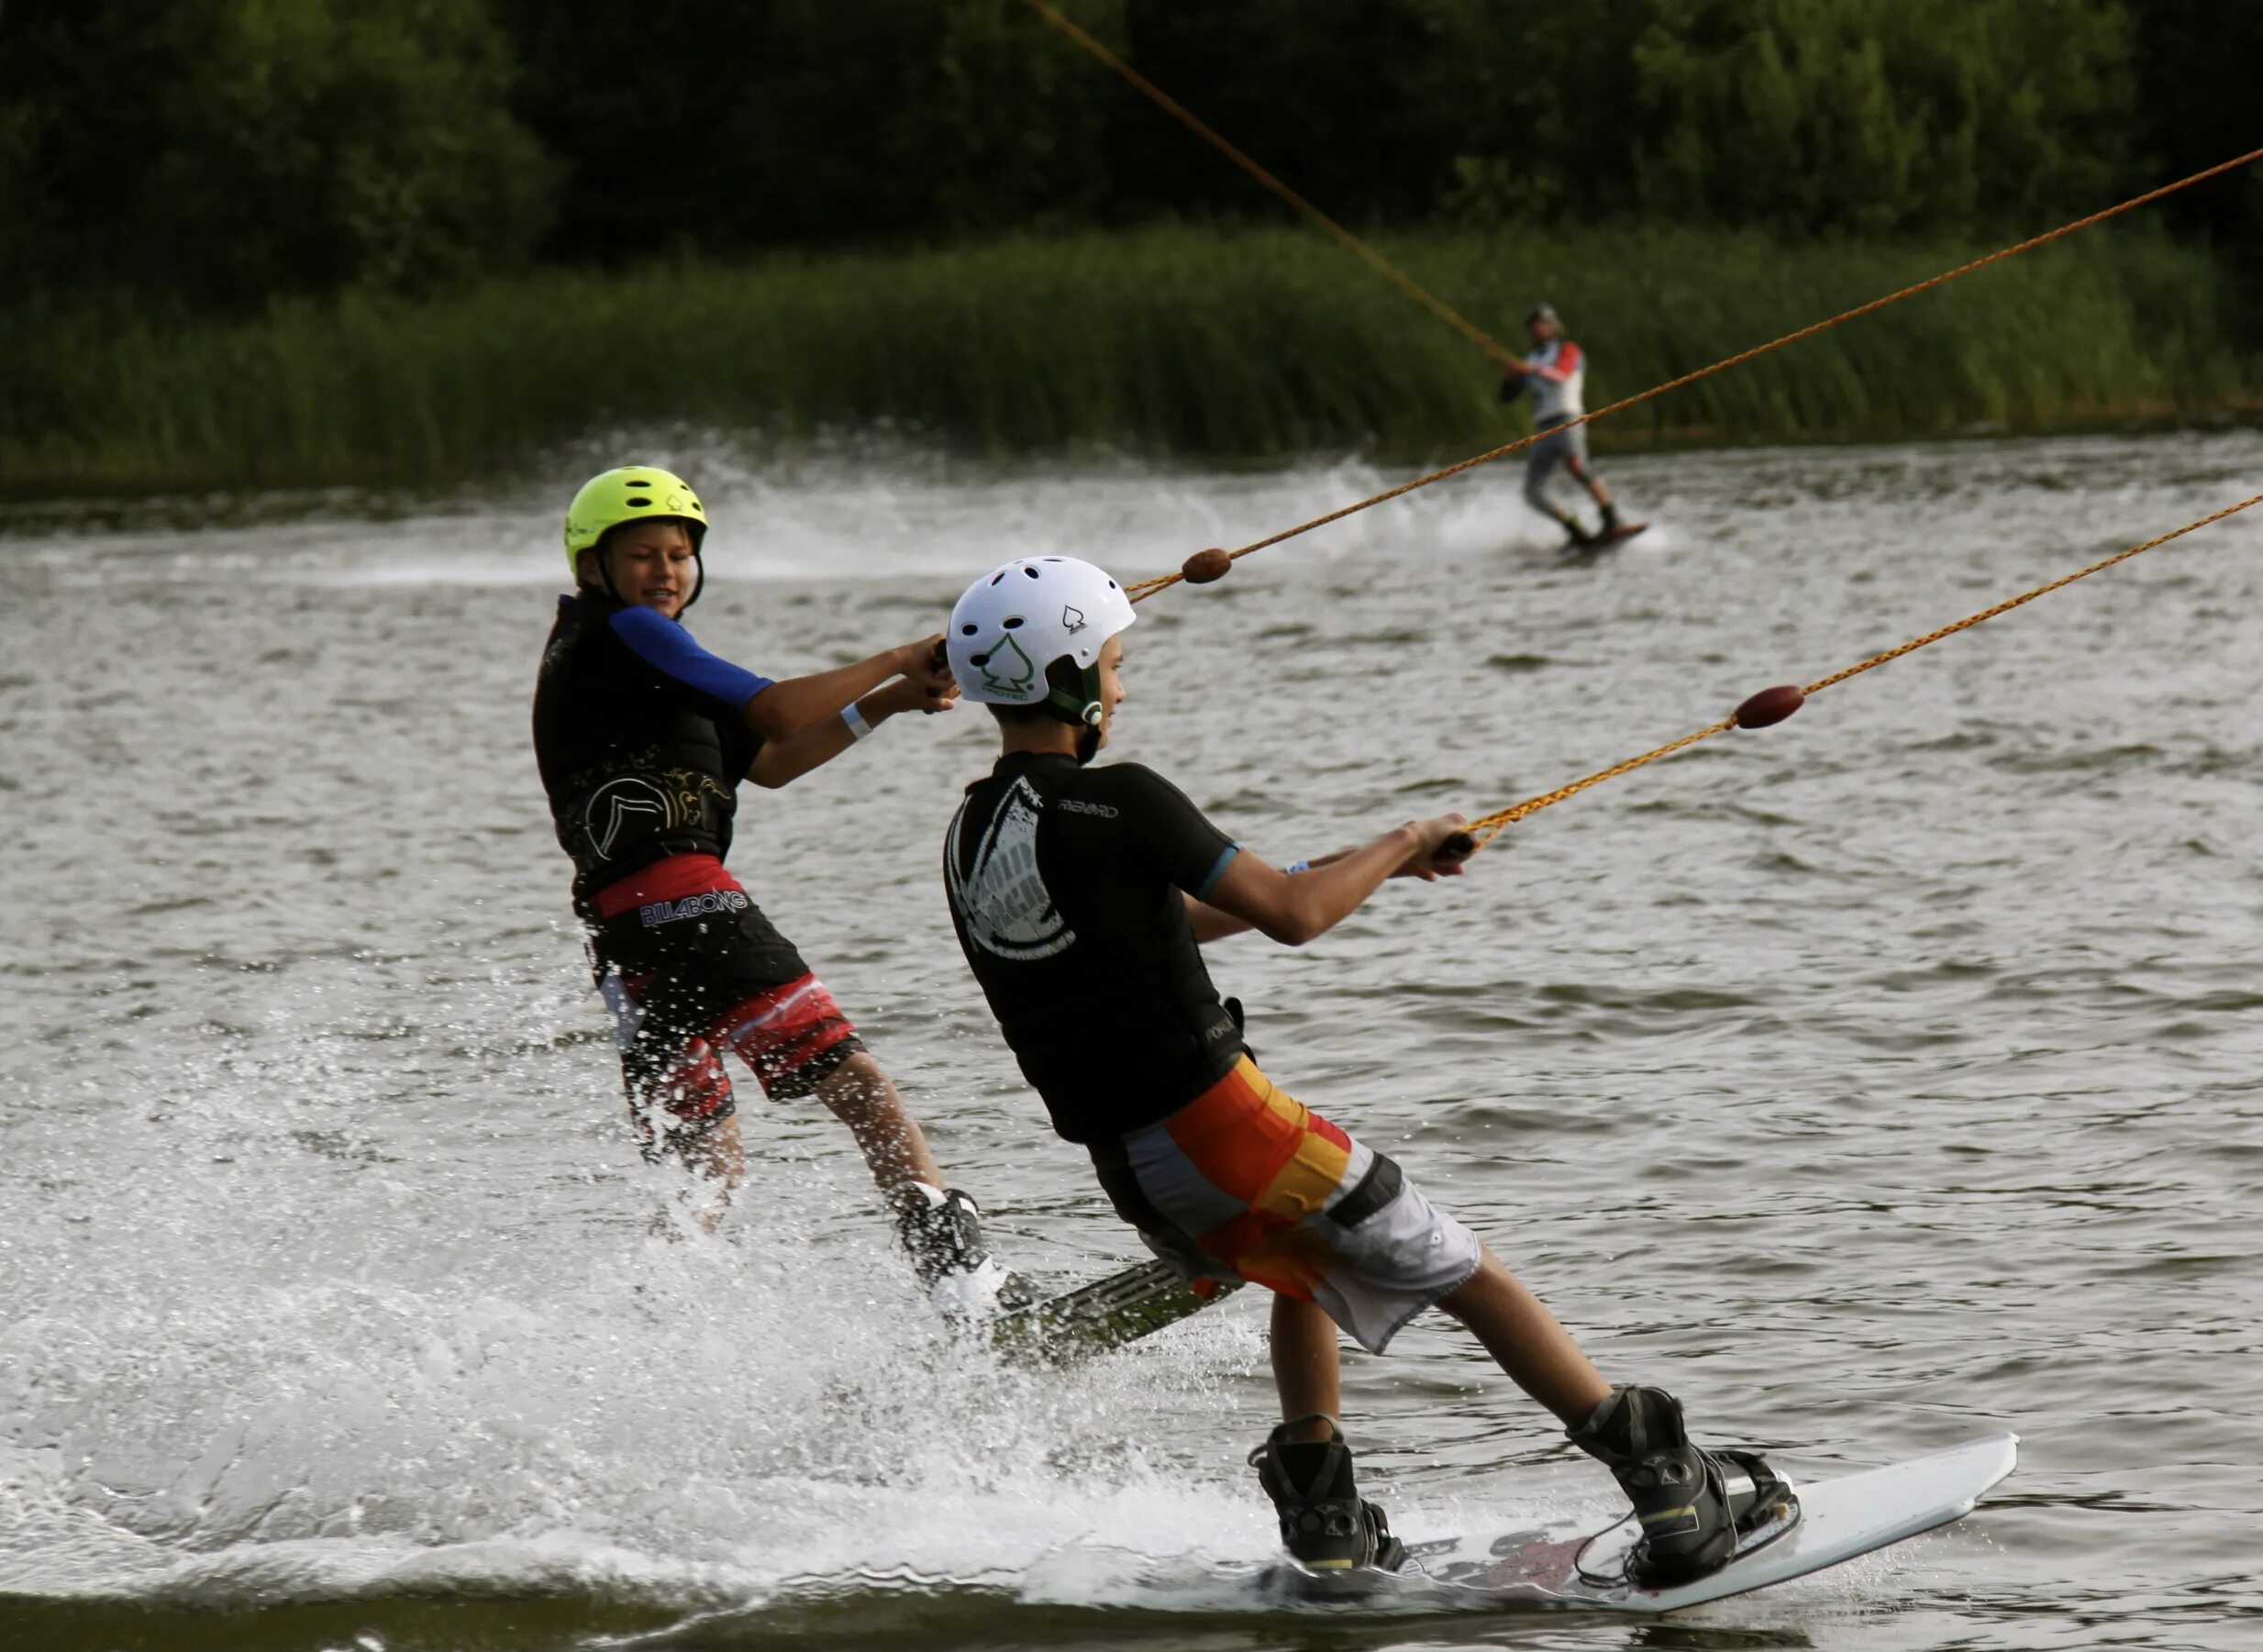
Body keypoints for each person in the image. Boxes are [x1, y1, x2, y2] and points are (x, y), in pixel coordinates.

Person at [935, 554, 1791, 1581]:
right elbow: (1292, 916)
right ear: (1067, 674)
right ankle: (1671, 1486)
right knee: (1470, 1270)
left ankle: (1327, 1525)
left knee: (1303, 1270)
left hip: (1137, 1170)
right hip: (1229, 1130)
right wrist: (1407, 832)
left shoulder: (974, 830)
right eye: (1113, 664)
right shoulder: (1123, 799)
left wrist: (1376, 867)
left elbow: (1176, 919)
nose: (1123, 685)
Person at [531, 464, 1015, 1307]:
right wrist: (899, 654)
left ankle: (640, 1315)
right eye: (641, 554)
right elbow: (779, 711)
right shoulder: (631, 634)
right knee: (861, 1090)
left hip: (625, 938)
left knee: (704, 1170)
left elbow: (776, 760)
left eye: (679, 554)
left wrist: (894, 700)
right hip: (690, 901)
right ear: (592, 569)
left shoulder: (636, 660)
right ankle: (961, 1279)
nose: (664, 572)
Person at [1502, 303, 1634, 549]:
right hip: (1543, 429)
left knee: (1576, 467)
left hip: (1568, 420)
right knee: (1532, 493)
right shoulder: (1529, 360)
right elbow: (1508, 397)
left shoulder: (1568, 350)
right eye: (1535, 326)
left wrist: (1530, 369)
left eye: (1544, 324)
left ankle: (1612, 519)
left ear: (1553, 326)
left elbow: (1561, 375)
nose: (1539, 329)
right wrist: (1510, 375)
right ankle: (1574, 529)